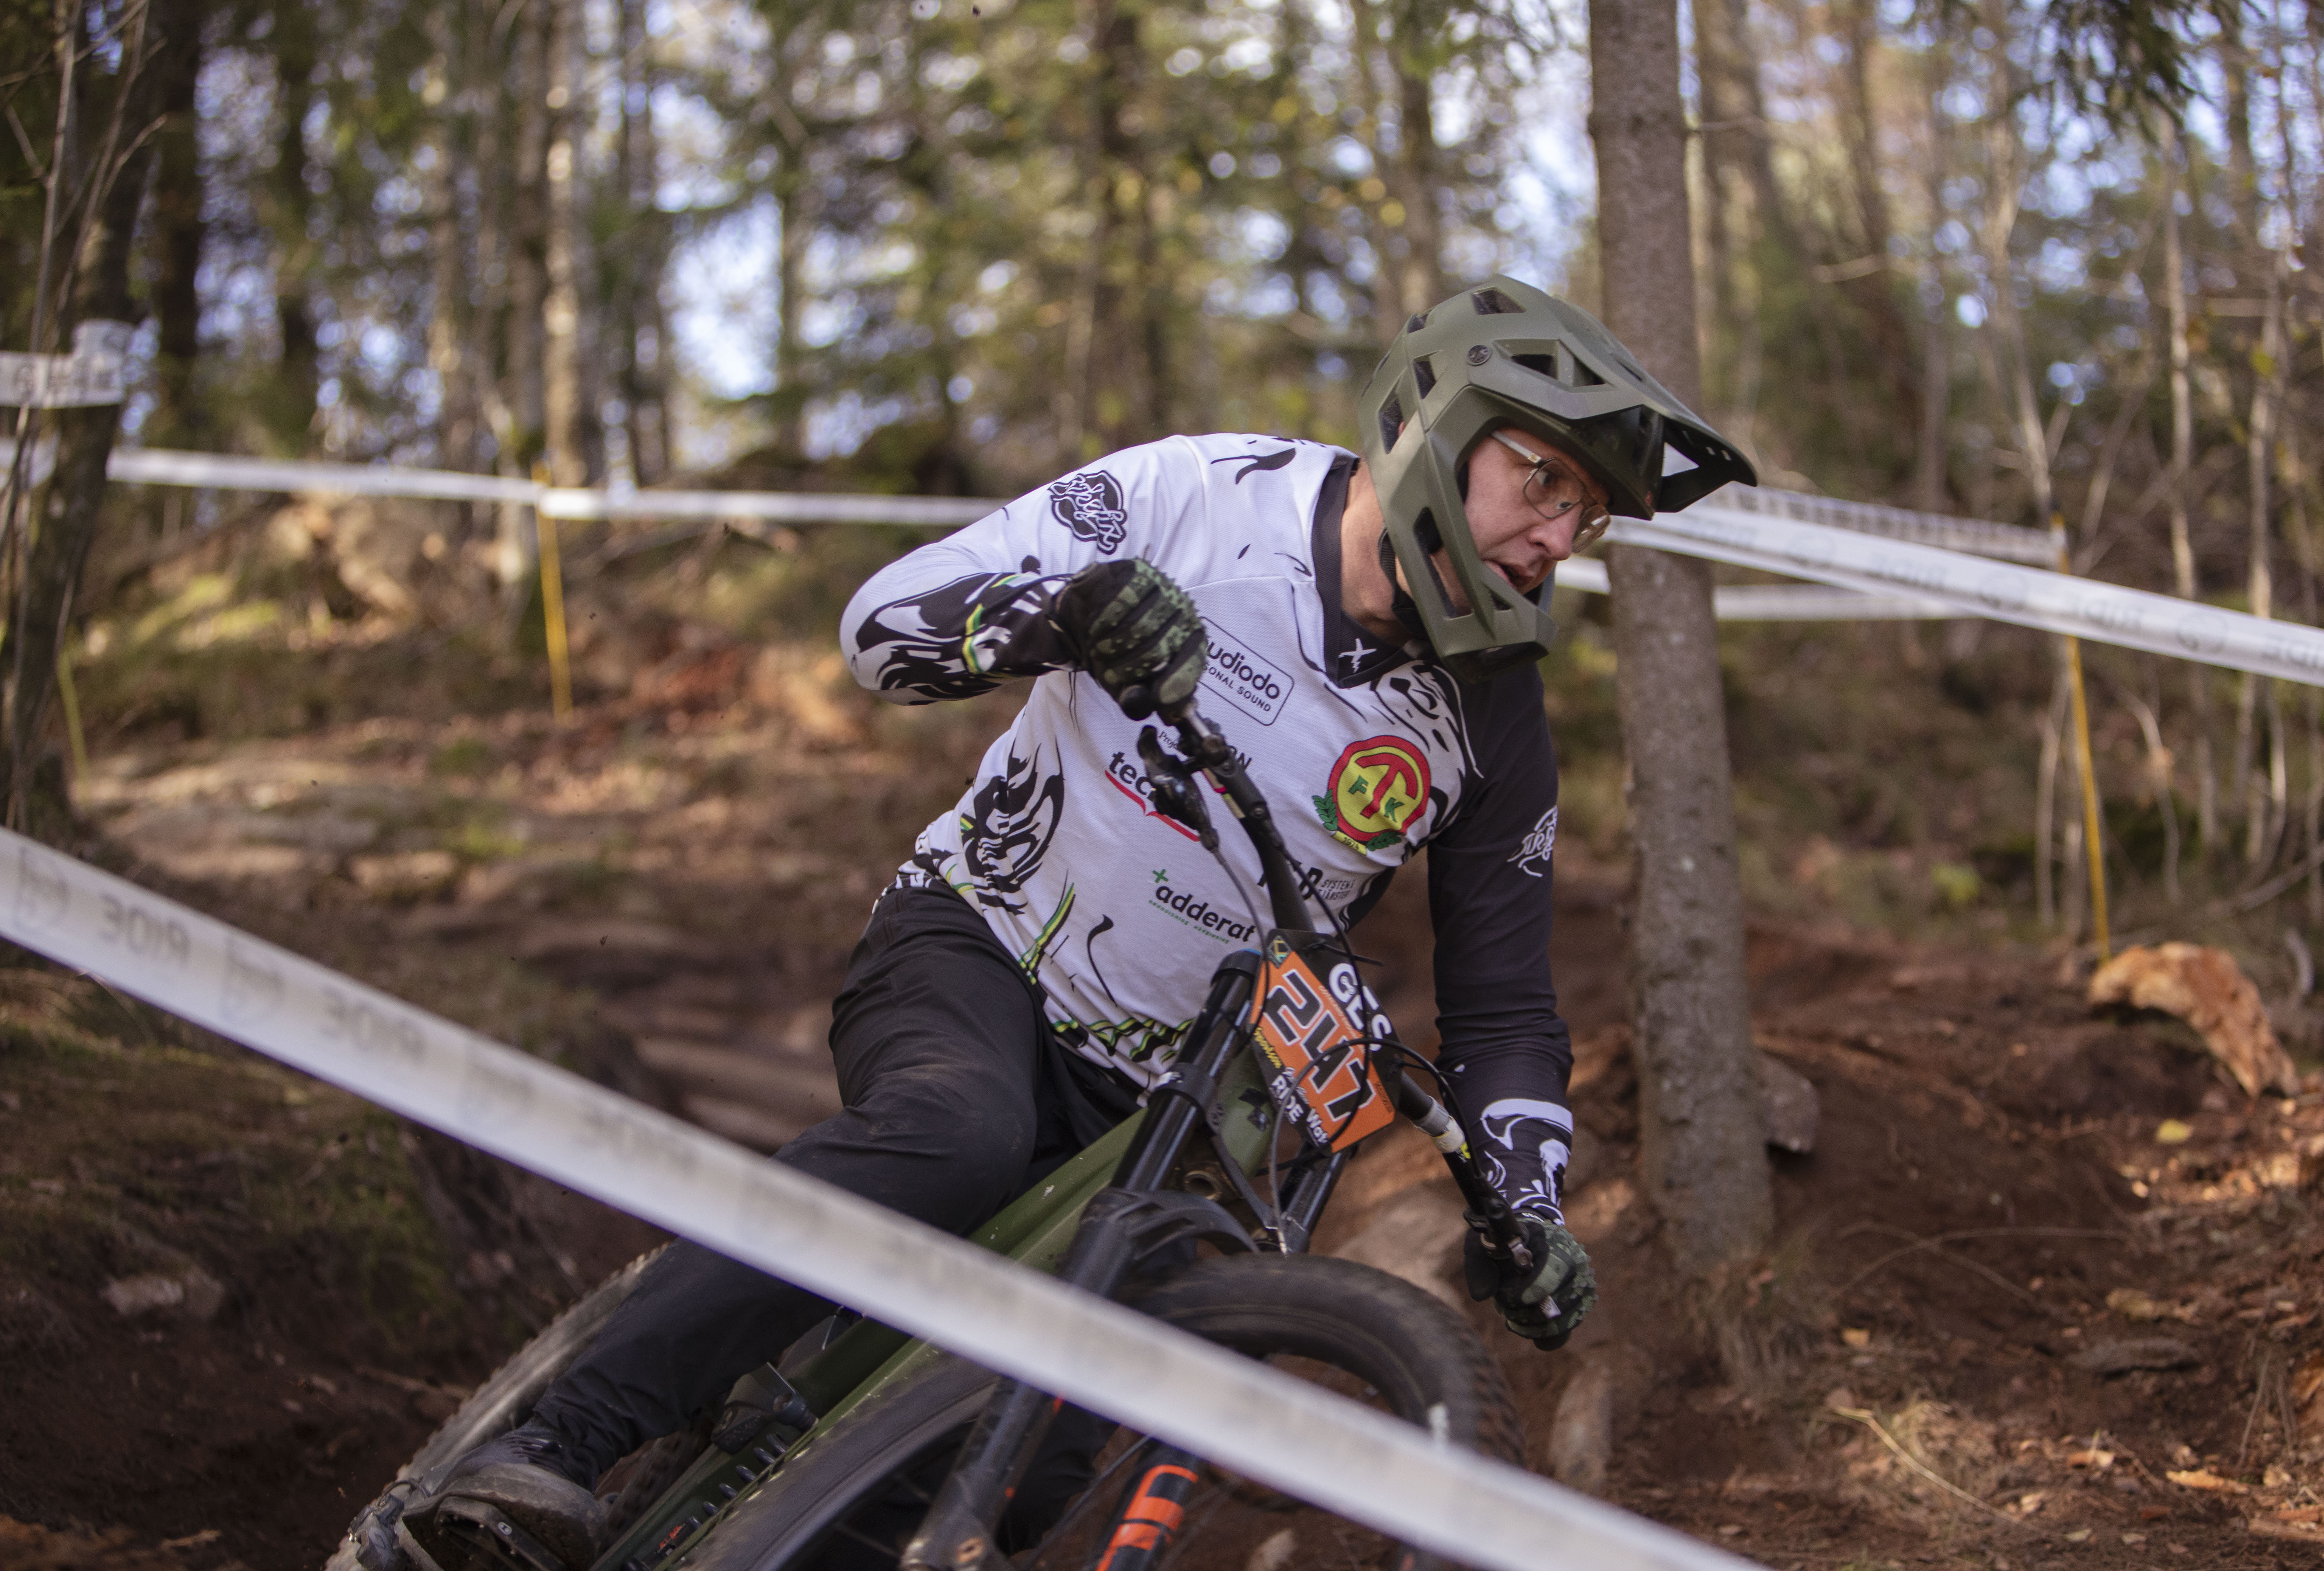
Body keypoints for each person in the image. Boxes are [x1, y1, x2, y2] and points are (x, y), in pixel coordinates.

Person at [373, 275, 1757, 1571]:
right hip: (979, 947)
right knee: (952, 1135)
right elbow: (880, 628)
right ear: (1441, 430)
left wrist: (1527, 1201)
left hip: (1164, 1110)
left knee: (1034, 1475)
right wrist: (1060, 612)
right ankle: (551, 1441)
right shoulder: (1199, 498)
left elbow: (1505, 1006)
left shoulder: (1492, 720)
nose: (1559, 537)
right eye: (1546, 481)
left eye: (1590, 517)